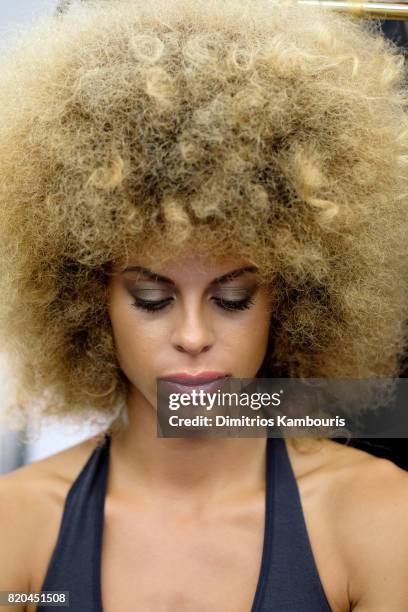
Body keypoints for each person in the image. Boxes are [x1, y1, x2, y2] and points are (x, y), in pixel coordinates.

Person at [0, 0, 407, 610]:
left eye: (234, 299)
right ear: (89, 302)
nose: (193, 335)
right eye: (152, 299)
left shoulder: (377, 520)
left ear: (291, 301)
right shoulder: (19, 530)